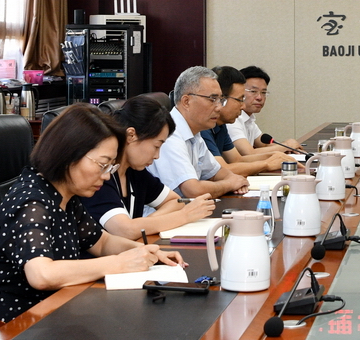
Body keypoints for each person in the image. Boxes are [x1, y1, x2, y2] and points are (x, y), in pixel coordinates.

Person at [0, 104, 185, 323]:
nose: (106, 176)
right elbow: (42, 275)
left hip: (56, 311)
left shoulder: (66, 196)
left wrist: (145, 252)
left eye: (110, 167)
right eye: (102, 165)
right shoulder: (31, 201)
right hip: (13, 328)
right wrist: (119, 263)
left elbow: (102, 242)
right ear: (69, 155)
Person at [81, 95, 216, 239]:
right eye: (156, 146)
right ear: (131, 135)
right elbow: (123, 230)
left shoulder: (135, 172)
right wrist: (184, 216)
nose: (157, 156)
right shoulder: (102, 175)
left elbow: (175, 202)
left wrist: (141, 225)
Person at [147, 66, 250, 198]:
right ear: (186, 101)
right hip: (164, 210)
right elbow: (193, 190)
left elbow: (217, 172)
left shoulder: (195, 132)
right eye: (212, 99)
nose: (219, 107)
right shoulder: (169, 134)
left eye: (220, 100)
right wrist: (230, 184)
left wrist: (234, 179)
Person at [202, 66, 297, 176]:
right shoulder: (203, 127)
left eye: (263, 92)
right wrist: (266, 164)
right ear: (221, 99)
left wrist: (275, 155)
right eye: (239, 100)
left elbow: (237, 160)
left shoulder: (221, 125)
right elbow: (222, 170)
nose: (243, 106)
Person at [228, 65, 303, 157]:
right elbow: (249, 153)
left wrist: (286, 146)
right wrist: (287, 146)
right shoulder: (232, 119)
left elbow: (264, 145)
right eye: (253, 91)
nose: (259, 97)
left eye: (263, 92)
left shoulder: (249, 118)